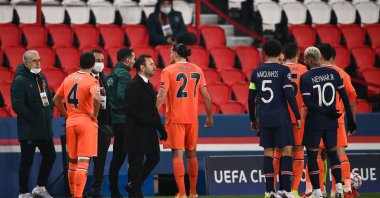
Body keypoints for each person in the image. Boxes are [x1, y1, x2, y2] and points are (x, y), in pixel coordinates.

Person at [156, 43, 213, 198]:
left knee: (177, 155)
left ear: (175, 53)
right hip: (192, 118)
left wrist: (152, 112)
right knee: (192, 154)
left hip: (176, 118)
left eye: (170, 52)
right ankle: (193, 193)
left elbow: (161, 95)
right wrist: (209, 115)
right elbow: (206, 95)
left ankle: (182, 193)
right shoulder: (197, 69)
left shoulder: (168, 71)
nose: (169, 56)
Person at [300, 47, 357, 198]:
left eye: (305, 59)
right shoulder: (334, 74)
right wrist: (351, 120)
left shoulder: (306, 77)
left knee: (313, 156)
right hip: (333, 121)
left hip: (315, 122)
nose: (304, 62)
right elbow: (346, 97)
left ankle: (317, 191)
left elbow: (308, 102)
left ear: (310, 59)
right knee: (334, 154)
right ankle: (339, 188)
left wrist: (325, 111)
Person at [248, 39, 301, 198]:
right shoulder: (283, 70)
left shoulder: (256, 72)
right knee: (286, 151)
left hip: (264, 118)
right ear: (280, 53)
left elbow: (251, 98)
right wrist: (297, 115)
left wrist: (253, 119)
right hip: (281, 118)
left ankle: (269, 191)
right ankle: (286, 191)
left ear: (264, 53)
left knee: (268, 153)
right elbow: (289, 94)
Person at [53, 52, 101, 198]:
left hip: (71, 122)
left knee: (72, 162)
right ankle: (78, 195)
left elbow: (56, 99)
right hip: (86, 122)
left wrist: (67, 114)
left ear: (79, 63)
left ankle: (74, 194)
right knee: (84, 161)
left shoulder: (68, 79)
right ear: (93, 64)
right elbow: (97, 98)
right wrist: (95, 114)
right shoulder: (91, 80)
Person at [11, 50, 56, 198]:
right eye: (34, 61)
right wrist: (33, 118)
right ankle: (23, 192)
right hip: (29, 129)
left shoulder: (41, 77)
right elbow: (18, 105)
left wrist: (49, 113)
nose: (38, 63)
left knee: (50, 156)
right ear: (26, 63)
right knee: (27, 161)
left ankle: (40, 187)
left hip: (44, 128)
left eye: (39, 60)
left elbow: (49, 97)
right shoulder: (19, 80)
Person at [317, 43, 358, 198]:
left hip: (318, 120)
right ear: (333, 56)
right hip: (337, 119)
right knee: (339, 152)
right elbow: (352, 99)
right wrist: (352, 121)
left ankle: (318, 190)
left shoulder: (314, 73)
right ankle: (343, 189)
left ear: (320, 56)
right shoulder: (342, 74)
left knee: (317, 153)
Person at [123, 55, 168, 198]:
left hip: (149, 132)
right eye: (151, 64)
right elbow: (127, 108)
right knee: (136, 164)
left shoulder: (148, 85)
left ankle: (133, 186)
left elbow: (153, 111)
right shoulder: (133, 84)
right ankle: (135, 192)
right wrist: (145, 119)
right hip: (136, 132)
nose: (155, 66)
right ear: (142, 67)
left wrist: (162, 130)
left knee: (154, 158)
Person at [107, 48, 135, 198]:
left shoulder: (111, 74)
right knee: (133, 157)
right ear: (127, 60)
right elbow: (121, 95)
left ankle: (114, 192)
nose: (134, 61)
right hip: (124, 120)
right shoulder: (124, 74)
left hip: (115, 120)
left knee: (117, 158)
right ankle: (133, 189)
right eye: (133, 58)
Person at [90, 49, 113, 198]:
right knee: (83, 160)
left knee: (100, 162)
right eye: (97, 60)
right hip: (88, 124)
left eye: (101, 60)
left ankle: (95, 191)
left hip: (103, 126)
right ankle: (76, 190)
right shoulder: (85, 78)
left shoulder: (103, 77)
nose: (100, 63)